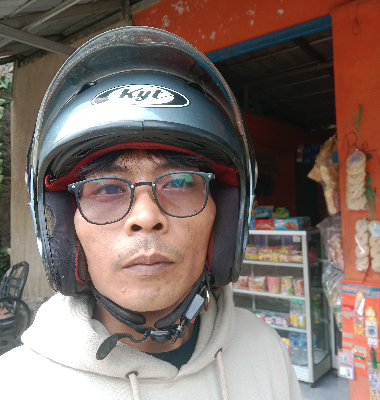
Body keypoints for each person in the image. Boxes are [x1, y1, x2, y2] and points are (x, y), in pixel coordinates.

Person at [0, 27, 301, 399]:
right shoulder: (15, 386)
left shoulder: (266, 351)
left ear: (223, 218)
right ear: (64, 232)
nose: (145, 217)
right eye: (106, 188)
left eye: (180, 182)